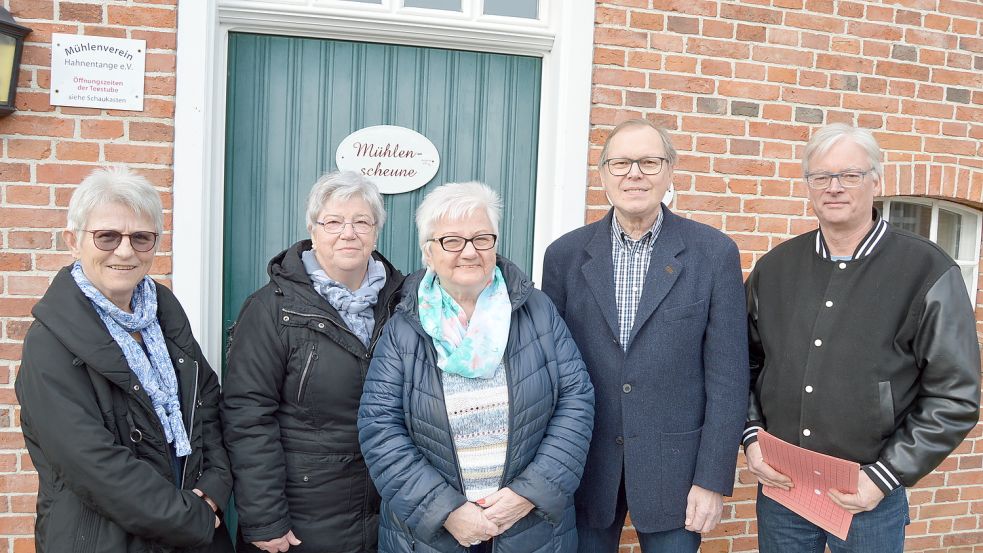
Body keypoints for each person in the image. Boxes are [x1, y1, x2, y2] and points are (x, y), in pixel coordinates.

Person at [743, 124, 981, 552]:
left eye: (849, 175)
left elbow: (955, 395)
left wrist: (885, 475)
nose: (833, 187)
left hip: (869, 494)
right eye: (820, 177)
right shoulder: (774, 268)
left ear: (876, 180)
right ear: (808, 186)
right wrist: (752, 438)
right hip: (783, 489)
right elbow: (743, 365)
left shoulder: (925, 270)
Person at [542, 118, 749, 552]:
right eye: (620, 163)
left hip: (677, 473)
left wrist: (711, 479)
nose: (634, 173)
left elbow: (729, 378)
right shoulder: (563, 255)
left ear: (670, 171)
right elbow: (550, 371)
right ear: (602, 176)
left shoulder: (714, 253)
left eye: (649, 162)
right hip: (584, 468)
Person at [358, 181, 595, 552]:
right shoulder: (404, 324)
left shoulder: (538, 311)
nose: (469, 252)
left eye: (481, 238)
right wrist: (446, 511)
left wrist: (527, 495)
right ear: (429, 253)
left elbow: (575, 402)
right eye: (452, 240)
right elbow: (379, 426)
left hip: (529, 527)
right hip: (431, 534)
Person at [15, 167, 233, 553]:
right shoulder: (49, 342)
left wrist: (214, 489)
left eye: (141, 237)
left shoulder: (164, 312)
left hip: (191, 531)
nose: (125, 250)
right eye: (107, 236)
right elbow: (92, 464)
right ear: (73, 241)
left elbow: (207, 405)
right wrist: (193, 517)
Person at [221, 171, 405, 553]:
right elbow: (247, 415)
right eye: (334, 221)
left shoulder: (404, 302)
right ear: (313, 229)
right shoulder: (272, 309)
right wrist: (264, 517)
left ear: (376, 231)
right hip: (304, 518)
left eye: (361, 222)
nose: (348, 232)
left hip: (391, 511)